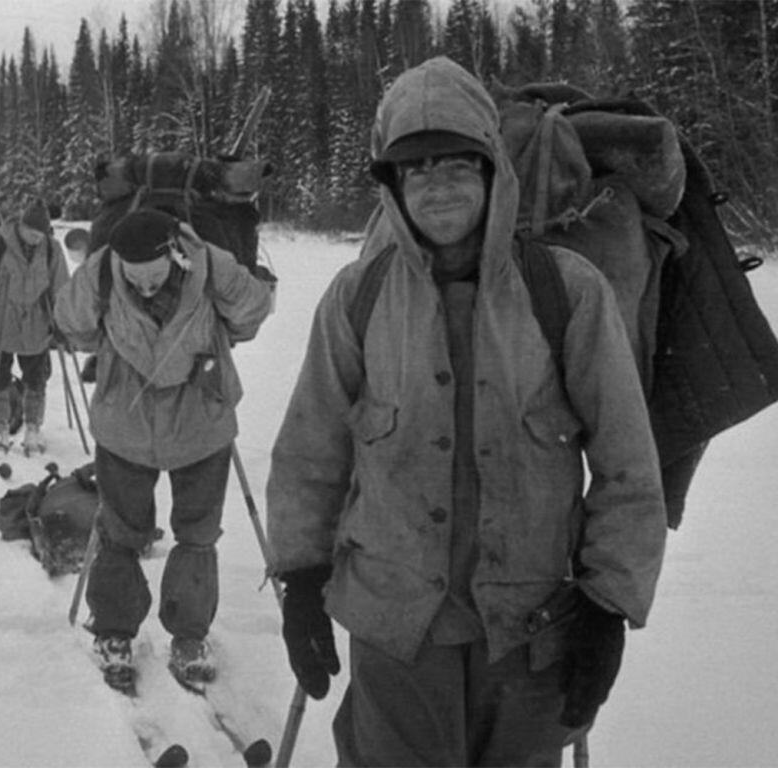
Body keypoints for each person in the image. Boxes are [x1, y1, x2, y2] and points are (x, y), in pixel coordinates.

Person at [266, 56, 667, 766]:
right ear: (392, 186)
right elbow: (310, 453)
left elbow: (627, 463)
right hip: (396, 633)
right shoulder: (356, 298)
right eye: (416, 170)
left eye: (457, 164)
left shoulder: (567, 292)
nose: (438, 187)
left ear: (492, 172)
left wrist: (609, 606)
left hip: (530, 635)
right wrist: (300, 579)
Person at [54, 208, 273, 692]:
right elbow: (72, 322)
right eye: (136, 279)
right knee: (120, 531)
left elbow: (253, 312)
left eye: (155, 278)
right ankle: (113, 631)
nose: (147, 288)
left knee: (197, 533)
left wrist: (234, 286)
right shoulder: (103, 272)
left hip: (200, 423)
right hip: (125, 427)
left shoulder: (210, 266)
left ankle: (189, 636)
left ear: (175, 254)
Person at [0, 197, 69, 456]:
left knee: (36, 379)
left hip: (37, 322)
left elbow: (61, 286)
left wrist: (63, 321)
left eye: (40, 234)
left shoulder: (52, 249)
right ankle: (0, 426)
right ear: (21, 226)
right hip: (2, 319)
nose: (36, 238)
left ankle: (33, 427)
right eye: (32, 232)